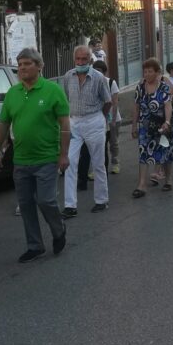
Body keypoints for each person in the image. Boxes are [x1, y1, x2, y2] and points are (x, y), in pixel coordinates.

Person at [0, 48, 70, 262]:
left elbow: (64, 124)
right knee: (25, 205)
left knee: (46, 201)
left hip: (47, 157)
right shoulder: (13, 94)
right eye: (20, 64)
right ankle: (35, 245)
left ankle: (58, 229)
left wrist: (64, 154)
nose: (23, 68)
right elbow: (3, 125)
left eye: (27, 63)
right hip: (21, 159)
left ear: (39, 66)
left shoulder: (53, 91)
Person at [62, 45, 112, 217]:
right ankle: (70, 205)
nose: (81, 62)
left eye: (84, 59)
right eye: (78, 59)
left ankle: (101, 200)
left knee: (98, 163)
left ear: (90, 61)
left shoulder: (98, 78)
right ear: (74, 59)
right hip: (74, 121)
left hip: (94, 120)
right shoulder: (68, 76)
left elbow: (108, 101)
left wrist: (100, 119)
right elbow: (65, 99)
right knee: (69, 162)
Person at [131, 58, 173, 197]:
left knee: (165, 153)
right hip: (145, 127)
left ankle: (168, 180)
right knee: (143, 153)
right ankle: (142, 185)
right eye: (145, 71)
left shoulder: (164, 87)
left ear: (157, 73)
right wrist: (134, 126)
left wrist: (167, 122)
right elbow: (136, 108)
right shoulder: (140, 88)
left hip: (162, 126)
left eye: (150, 71)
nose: (147, 74)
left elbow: (168, 105)